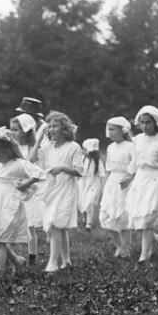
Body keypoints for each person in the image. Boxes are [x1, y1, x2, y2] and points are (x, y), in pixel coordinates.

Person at [121, 106, 158, 262]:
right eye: (142, 122)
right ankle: (155, 239)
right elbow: (135, 161)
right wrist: (128, 176)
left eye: (148, 122)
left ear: (156, 123)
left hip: (157, 179)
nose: (145, 126)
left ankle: (143, 255)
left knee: (148, 217)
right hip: (141, 178)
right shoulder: (138, 139)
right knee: (140, 215)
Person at [0, 133, 44, 281]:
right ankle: (17, 261)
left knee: (0, 239)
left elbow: (39, 173)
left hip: (9, 202)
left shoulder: (18, 163)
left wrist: (25, 184)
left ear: (8, 151)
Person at [30, 111, 84, 273]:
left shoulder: (73, 147)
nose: (52, 129)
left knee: (54, 223)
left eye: (55, 126)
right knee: (59, 227)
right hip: (50, 189)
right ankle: (66, 261)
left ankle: (52, 262)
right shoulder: (47, 148)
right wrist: (39, 138)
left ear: (64, 128)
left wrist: (62, 168)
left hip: (66, 187)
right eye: (50, 127)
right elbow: (32, 159)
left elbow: (79, 171)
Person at [10, 113, 45, 265]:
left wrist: (37, 141)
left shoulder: (34, 147)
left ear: (26, 131)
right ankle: (10, 256)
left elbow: (30, 162)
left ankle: (32, 257)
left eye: (16, 130)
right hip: (15, 187)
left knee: (30, 226)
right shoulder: (12, 146)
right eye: (12, 130)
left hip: (30, 188)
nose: (13, 133)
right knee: (11, 222)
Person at [99, 117, 134, 258]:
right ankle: (119, 245)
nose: (110, 132)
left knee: (123, 218)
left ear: (123, 130)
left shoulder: (131, 146)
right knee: (107, 216)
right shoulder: (110, 147)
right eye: (109, 129)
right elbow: (108, 169)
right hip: (112, 183)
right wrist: (104, 187)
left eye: (113, 129)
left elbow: (136, 167)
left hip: (126, 183)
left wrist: (129, 178)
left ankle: (126, 248)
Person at [78, 138, 106, 231]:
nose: (83, 151)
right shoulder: (82, 159)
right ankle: (84, 218)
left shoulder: (97, 161)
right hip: (83, 183)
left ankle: (88, 223)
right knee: (82, 202)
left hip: (93, 184)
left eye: (85, 149)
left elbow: (102, 175)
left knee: (90, 202)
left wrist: (102, 188)